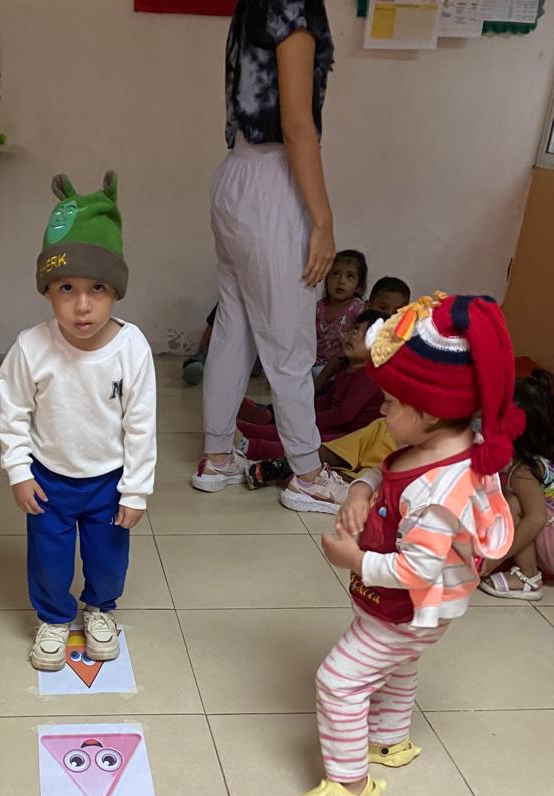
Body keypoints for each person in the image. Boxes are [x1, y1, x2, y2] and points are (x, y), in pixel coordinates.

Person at [294, 294, 520, 796]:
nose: (381, 410)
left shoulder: (440, 496)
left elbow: (416, 572)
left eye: (391, 402)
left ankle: (351, 786)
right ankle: (389, 739)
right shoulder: (437, 444)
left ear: (431, 411)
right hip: (415, 612)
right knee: (399, 664)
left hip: (410, 603)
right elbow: (390, 466)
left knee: (339, 681)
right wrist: (359, 488)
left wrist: (352, 558)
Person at [191, 0, 348, 516]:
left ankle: (218, 457)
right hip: (274, 184)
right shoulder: (293, 4)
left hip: (235, 173)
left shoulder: (253, 3)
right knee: (289, 343)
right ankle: (308, 474)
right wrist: (322, 220)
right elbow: (297, 123)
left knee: (234, 327)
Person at [0, 171, 156, 672]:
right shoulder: (31, 347)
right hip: (49, 479)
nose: (82, 305)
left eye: (97, 288)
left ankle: (101, 609)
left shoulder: (132, 348)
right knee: (49, 557)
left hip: (109, 479)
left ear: (116, 291)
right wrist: (19, 470)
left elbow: (141, 424)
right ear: (47, 290)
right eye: (67, 288)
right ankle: (53, 617)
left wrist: (136, 490)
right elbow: (12, 411)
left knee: (108, 556)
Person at [238, 309, 385, 490]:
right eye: (355, 329)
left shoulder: (368, 377)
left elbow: (343, 415)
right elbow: (329, 399)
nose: (355, 336)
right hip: (336, 425)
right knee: (293, 430)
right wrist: (304, 413)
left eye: (366, 335)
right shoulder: (346, 366)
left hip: (351, 435)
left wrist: (309, 420)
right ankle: (246, 430)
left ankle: (249, 446)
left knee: (309, 445)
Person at [479, 368, 554, 599]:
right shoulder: (543, 460)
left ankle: (527, 576)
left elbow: (536, 518)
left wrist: (492, 562)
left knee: (512, 504)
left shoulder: (523, 472)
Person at [315, 249, 368, 370]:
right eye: (335, 274)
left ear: (359, 286)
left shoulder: (357, 309)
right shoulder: (318, 308)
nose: (341, 281)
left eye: (350, 276)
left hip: (342, 368)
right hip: (313, 365)